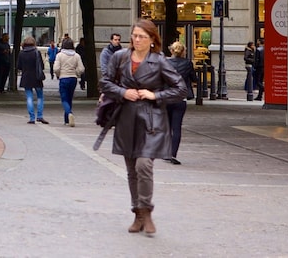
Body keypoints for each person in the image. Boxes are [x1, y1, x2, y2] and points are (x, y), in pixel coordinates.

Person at [100, 19, 186, 235]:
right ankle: (137, 213)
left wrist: (155, 94)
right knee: (131, 170)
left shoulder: (159, 61)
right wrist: (122, 92)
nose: (137, 40)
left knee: (143, 165)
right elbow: (105, 82)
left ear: (152, 40)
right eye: (135, 35)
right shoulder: (120, 57)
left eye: (142, 37)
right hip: (126, 118)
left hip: (152, 120)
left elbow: (180, 89)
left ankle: (146, 210)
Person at [164, 41, 198, 165]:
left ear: (171, 51)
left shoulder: (165, 62)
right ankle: (173, 154)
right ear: (183, 51)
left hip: (167, 97)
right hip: (180, 98)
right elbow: (195, 79)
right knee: (176, 127)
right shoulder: (187, 63)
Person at [53, 39, 84, 126]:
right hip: (73, 79)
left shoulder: (59, 55)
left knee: (64, 98)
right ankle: (66, 120)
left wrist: (59, 74)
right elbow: (81, 69)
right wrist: (76, 73)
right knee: (69, 98)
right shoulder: (76, 56)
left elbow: (56, 68)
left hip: (63, 78)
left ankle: (69, 113)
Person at [17, 36, 47, 124]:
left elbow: (19, 66)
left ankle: (31, 117)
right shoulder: (36, 52)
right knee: (40, 97)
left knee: (29, 97)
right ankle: (40, 116)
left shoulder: (21, 53)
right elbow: (41, 65)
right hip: (37, 77)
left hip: (26, 77)